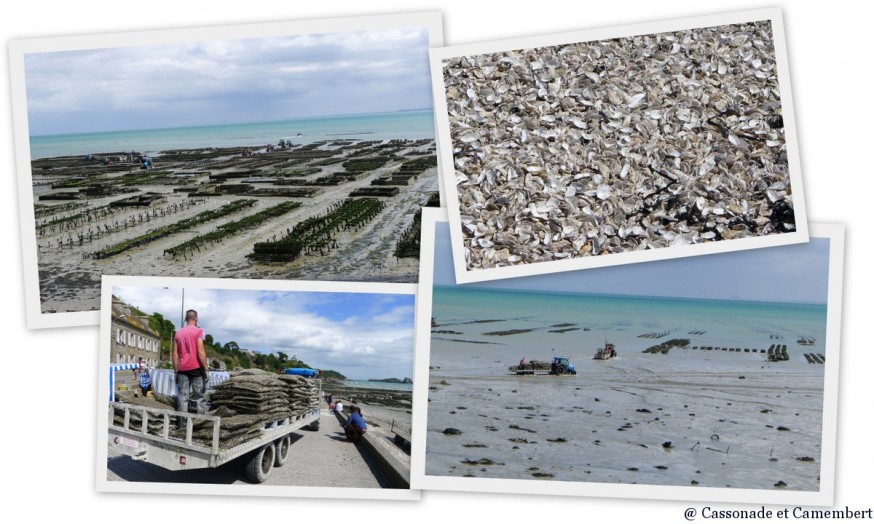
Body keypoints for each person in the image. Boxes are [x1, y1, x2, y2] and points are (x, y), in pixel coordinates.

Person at [172, 309, 209, 426]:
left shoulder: (178, 333)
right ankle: (200, 423)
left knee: (183, 397)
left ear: (185, 319)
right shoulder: (199, 331)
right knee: (198, 396)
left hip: (182, 369)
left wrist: (175, 371)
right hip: (196, 368)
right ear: (196, 318)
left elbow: (175, 354)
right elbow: (200, 350)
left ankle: (182, 424)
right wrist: (206, 369)